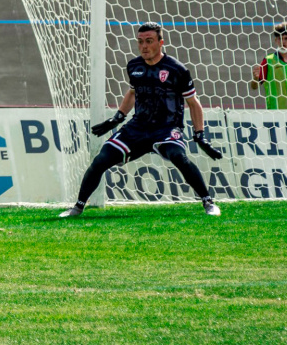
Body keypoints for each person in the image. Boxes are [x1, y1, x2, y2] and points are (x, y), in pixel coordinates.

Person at [60, 22, 224, 218]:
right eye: (140, 42)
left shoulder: (177, 69)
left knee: (179, 157)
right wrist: (117, 118)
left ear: (160, 43)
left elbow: (193, 103)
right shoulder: (134, 66)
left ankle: (208, 202)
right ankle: (77, 208)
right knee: (101, 160)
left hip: (166, 128)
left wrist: (200, 136)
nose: (144, 46)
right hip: (137, 128)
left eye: (149, 41)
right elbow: (132, 92)